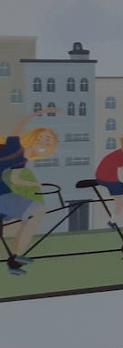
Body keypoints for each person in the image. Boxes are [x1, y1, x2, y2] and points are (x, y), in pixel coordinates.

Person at [0, 118, 59, 275]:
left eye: (48, 140)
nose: (44, 142)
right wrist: (38, 114)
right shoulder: (15, 147)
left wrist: (32, 186)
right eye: (41, 138)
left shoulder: (23, 159)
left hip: (5, 195)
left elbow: (14, 177)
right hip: (3, 196)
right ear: (32, 138)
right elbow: (18, 128)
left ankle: (16, 257)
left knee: (37, 211)